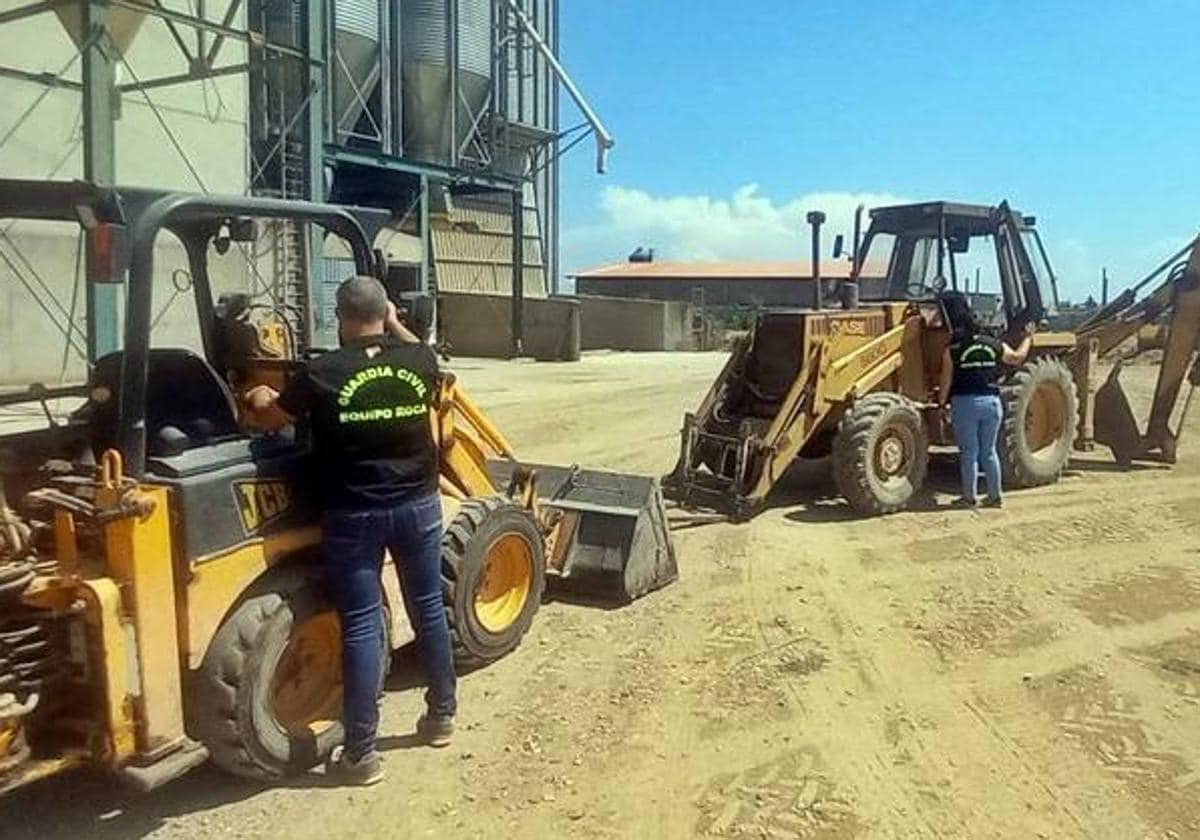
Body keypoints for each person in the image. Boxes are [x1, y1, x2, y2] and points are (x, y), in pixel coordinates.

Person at [242, 275, 456, 786]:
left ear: (339, 318)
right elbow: (419, 352)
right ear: (385, 312)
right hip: (419, 506)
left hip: (354, 514)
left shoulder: (321, 373)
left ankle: (361, 753)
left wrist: (259, 394)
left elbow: (270, 420)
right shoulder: (421, 362)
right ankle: (442, 716)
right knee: (429, 607)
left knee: (360, 624)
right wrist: (395, 323)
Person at [937, 292, 1035, 509]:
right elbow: (1017, 358)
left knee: (969, 453)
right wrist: (1028, 338)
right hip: (992, 403)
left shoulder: (952, 350)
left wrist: (942, 405)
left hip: (965, 404)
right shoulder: (993, 344)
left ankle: (969, 498)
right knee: (989, 452)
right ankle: (995, 496)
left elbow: (946, 381)